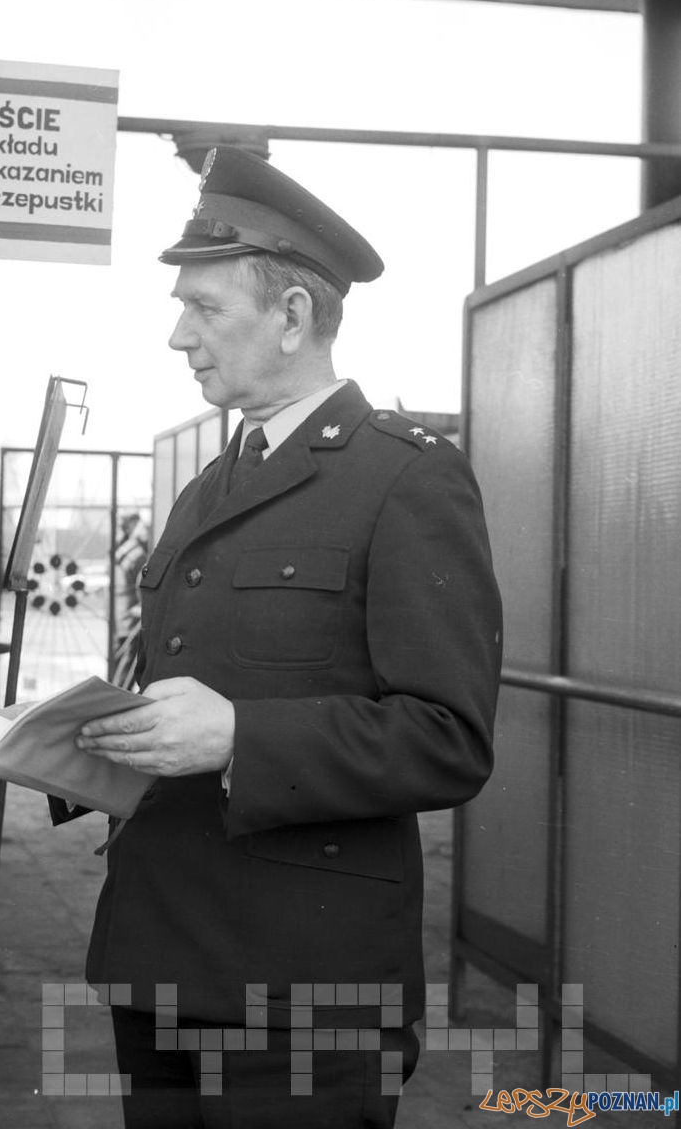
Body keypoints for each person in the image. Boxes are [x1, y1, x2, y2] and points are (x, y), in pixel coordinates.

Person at [73, 147, 503, 1127]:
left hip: (303, 988)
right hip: (160, 954)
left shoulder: (407, 478)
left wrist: (239, 736)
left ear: (294, 315)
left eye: (204, 307)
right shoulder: (210, 484)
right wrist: (79, 740)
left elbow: (448, 737)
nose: (178, 335)